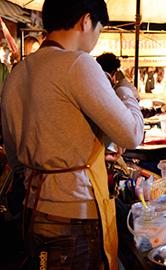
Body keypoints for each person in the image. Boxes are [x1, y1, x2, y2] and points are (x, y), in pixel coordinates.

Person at [1, 0, 144, 269]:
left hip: (32, 212)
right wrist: (126, 92)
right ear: (86, 20)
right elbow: (132, 134)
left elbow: (14, 155)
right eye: (99, 30)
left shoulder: (18, 72)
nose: (96, 39)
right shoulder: (78, 64)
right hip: (74, 216)